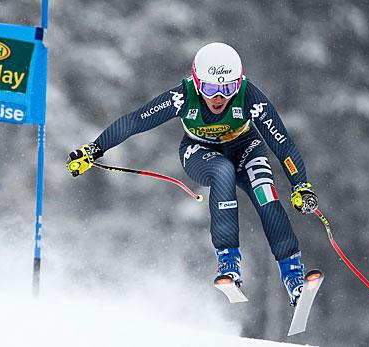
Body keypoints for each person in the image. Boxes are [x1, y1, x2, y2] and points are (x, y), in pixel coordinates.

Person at [67, 42, 319, 305]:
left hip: (246, 147)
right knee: (223, 172)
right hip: (199, 152)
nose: (219, 97)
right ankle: (229, 263)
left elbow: (283, 143)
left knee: (265, 193)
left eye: (228, 88)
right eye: (211, 89)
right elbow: (136, 120)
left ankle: (293, 276)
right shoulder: (183, 96)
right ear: (198, 83)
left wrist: (300, 185)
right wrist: (94, 149)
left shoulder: (249, 97)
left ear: (239, 82)